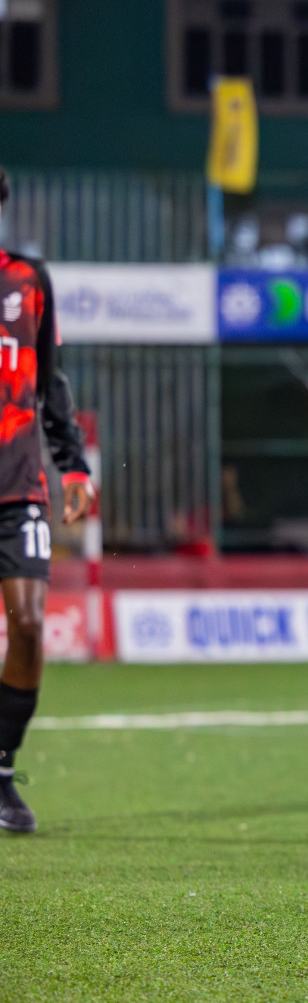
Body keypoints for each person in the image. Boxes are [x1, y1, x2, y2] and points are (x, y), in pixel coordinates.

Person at [0, 167, 97, 833]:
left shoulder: (28, 280)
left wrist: (73, 465)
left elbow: (48, 381)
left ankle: (2, 772)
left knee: (30, 622)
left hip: (19, 480)